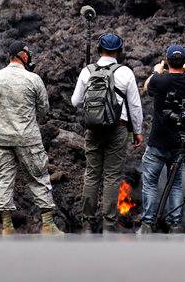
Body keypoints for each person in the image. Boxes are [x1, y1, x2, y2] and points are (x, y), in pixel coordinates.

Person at [0, 41, 63, 235]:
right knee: (39, 177)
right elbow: (44, 110)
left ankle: (7, 227)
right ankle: (48, 225)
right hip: (28, 138)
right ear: (23, 56)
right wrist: (32, 121)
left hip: (2, 139)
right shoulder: (33, 79)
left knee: (4, 180)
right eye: (27, 53)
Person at [71, 32, 144, 233]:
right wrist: (137, 131)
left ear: (98, 49)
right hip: (118, 128)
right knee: (112, 176)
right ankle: (108, 225)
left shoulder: (87, 71)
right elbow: (135, 106)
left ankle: (87, 223)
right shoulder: (125, 72)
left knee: (92, 174)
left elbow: (74, 101)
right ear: (118, 51)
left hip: (93, 130)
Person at [137, 44, 185, 234]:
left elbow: (147, 86)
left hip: (158, 141)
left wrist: (157, 70)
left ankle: (147, 224)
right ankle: (175, 225)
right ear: (183, 62)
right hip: (179, 143)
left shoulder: (160, 80)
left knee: (150, 182)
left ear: (167, 61)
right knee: (175, 184)